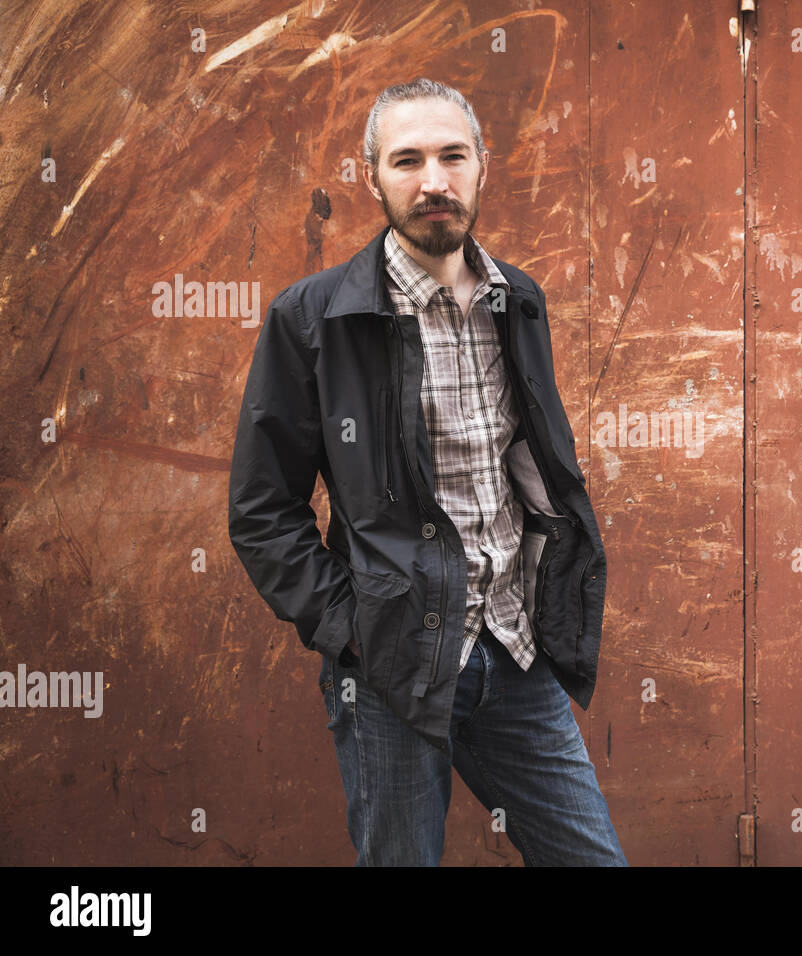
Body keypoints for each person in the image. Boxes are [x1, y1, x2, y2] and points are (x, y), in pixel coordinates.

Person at [228, 78, 626, 866]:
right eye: (406, 160)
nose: (433, 181)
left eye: (452, 156)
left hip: (515, 653)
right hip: (390, 670)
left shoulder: (519, 299)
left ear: (483, 166)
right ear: (370, 175)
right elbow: (262, 511)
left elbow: (532, 467)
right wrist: (351, 629)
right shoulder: (312, 319)